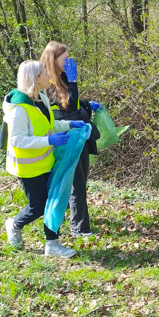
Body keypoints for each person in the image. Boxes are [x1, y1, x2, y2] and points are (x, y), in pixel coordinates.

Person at [3, 60, 87, 258]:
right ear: (35, 78)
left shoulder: (41, 98)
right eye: (44, 72)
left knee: (56, 201)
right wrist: (49, 140)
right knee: (38, 206)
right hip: (29, 167)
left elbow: (49, 125)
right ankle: (14, 224)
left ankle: (52, 244)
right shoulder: (19, 108)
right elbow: (17, 140)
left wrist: (69, 125)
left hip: (46, 161)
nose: (49, 75)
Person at [40, 41, 101, 237]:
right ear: (53, 60)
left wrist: (86, 103)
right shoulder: (45, 82)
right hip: (65, 136)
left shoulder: (63, 77)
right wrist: (74, 83)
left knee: (76, 179)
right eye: (64, 59)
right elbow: (69, 107)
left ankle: (70, 218)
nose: (68, 62)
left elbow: (71, 102)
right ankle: (80, 228)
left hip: (75, 133)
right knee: (76, 181)